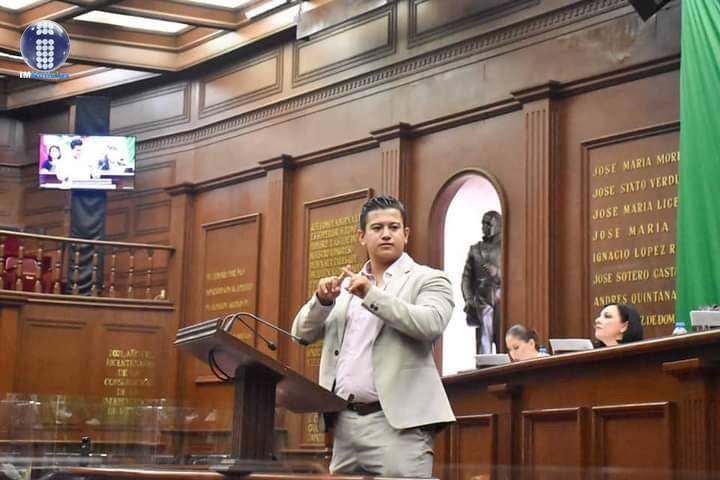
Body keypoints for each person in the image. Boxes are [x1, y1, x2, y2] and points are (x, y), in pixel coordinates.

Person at [292, 195, 455, 478]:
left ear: (406, 234)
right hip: (344, 423)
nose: (386, 234)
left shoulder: (428, 279)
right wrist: (322, 301)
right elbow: (300, 334)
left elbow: (430, 324)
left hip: (398, 427)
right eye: (377, 228)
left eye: (394, 227)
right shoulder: (345, 287)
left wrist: (370, 294)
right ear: (362, 237)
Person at [461, 210, 502, 354]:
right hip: (482, 300)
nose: (484, 227)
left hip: (502, 301)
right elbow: (466, 278)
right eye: (483, 223)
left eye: (488, 223)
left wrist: (497, 272)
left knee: (504, 343)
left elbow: (516, 275)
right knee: (483, 344)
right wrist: (468, 299)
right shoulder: (475, 249)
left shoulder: (507, 247)